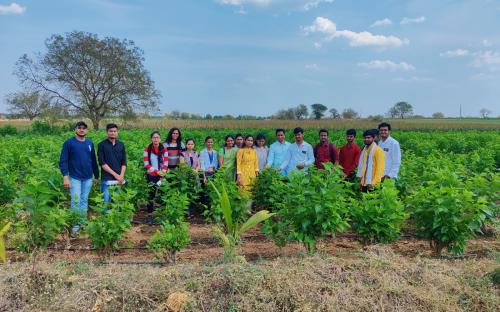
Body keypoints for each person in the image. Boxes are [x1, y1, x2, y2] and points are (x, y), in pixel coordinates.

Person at [59, 121, 99, 235]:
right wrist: (65, 177)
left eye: (84, 128)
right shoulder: (69, 143)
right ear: (75, 129)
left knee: (84, 200)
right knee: (75, 201)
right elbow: (63, 161)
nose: (82, 130)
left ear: (87, 130)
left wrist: (96, 176)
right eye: (79, 128)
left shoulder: (89, 143)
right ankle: (75, 227)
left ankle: (82, 223)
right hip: (74, 177)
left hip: (88, 177)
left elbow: (93, 161)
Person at [97, 123, 127, 203]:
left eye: (115, 131)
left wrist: (121, 176)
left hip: (119, 178)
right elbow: (102, 163)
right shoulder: (101, 145)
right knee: (105, 201)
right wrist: (116, 175)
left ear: (117, 132)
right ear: (107, 132)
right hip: (107, 178)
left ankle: (115, 216)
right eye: (111, 131)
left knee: (116, 202)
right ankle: (105, 215)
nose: (113, 133)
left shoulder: (121, 145)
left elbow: (124, 162)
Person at [143, 131, 168, 225]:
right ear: (151, 139)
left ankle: (162, 215)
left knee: (163, 194)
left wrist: (163, 173)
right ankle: (149, 215)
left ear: (160, 139)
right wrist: (156, 171)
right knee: (150, 195)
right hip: (151, 175)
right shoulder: (147, 150)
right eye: (154, 137)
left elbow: (166, 163)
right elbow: (146, 164)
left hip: (162, 175)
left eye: (157, 137)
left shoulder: (164, 150)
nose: (156, 139)